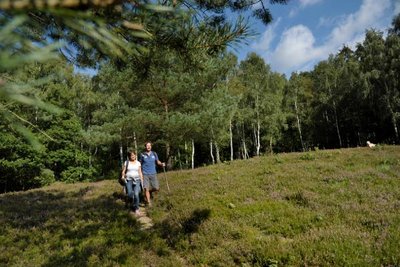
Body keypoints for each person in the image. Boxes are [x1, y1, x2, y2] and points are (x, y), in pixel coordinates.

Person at [139, 142, 165, 207]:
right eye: (147, 145)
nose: (148, 147)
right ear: (145, 147)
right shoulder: (142, 154)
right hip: (145, 174)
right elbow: (139, 164)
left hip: (153, 173)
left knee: (156, 188)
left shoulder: (154, 153)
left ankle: (150, 191)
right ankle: (149, 202)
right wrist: (139, 172)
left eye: (149, 145)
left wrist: (161, 164)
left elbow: (157, 161)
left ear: (151, 146)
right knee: (146, 188)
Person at [121, 150, 144, 216]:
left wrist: (142, 180)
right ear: (129, 156)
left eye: (134, 155)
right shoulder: (126, 162)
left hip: (137, 180)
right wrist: (123, 176)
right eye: (131, 155)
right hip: (129, 180)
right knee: (130, 194)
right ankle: (133, 202)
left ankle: (136, 209)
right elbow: (123, 171)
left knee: (136, 194)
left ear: (135, 155)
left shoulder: (138, 163)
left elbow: (140, 172)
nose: (133, 156)